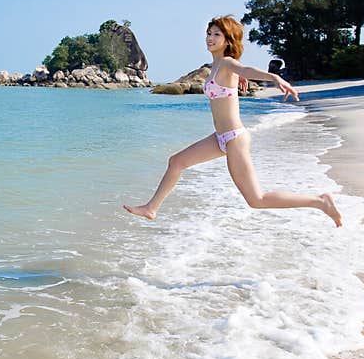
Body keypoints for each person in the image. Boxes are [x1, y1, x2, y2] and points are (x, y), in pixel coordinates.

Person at [123, 15, 342, 227]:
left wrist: (274, 77)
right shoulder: (216, 67)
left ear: (228, 40)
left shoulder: (227, 63)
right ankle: (151, 208)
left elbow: (244, 68)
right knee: (176, 162)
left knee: (257, 199)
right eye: (209, 33)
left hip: (235, 138)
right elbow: (238, 74)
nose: (210, 38)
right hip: (220, 137)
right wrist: (240, 77)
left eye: (217, 34)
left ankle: (320, 202)